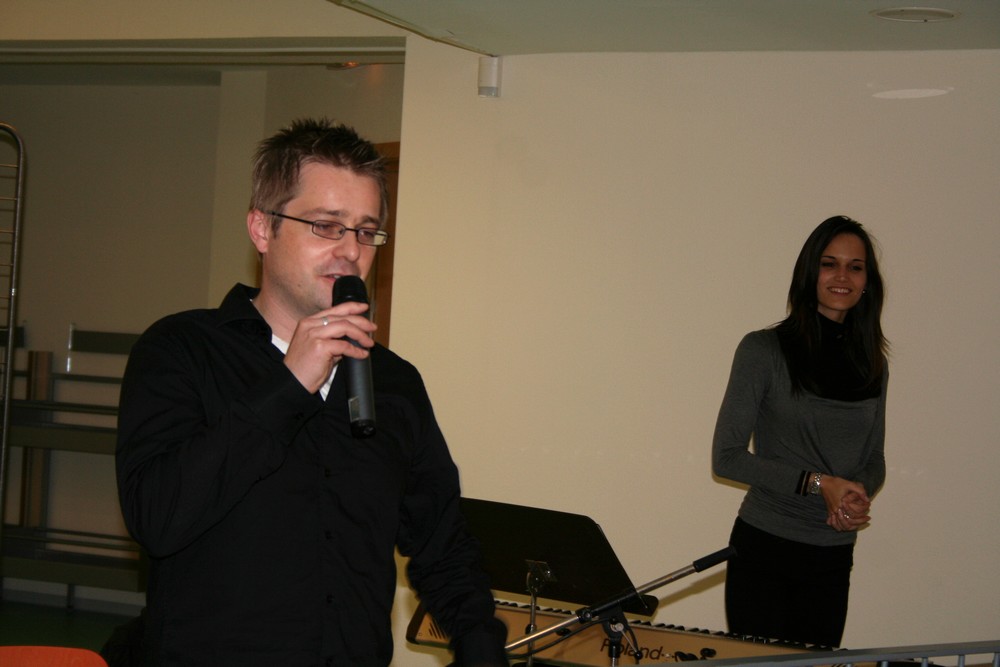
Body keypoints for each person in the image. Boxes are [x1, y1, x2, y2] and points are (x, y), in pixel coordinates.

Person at [116, 119, 508, 667]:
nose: (350, 251)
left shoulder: (395, 382)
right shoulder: (181, 350)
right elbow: (157, 518)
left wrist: (482, 648)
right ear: (262, 228)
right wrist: (289, 383)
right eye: (326, 226)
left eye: (366, 231)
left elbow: (443, 546)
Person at [711, 215, 889, 648]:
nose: (842, 276)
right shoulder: (763, 349)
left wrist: (855, 494)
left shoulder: (873, 363)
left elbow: (874, 459)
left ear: (867, 282)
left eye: (855, 267)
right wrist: (820, 484)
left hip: (832, 555)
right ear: (810, 273)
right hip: (764, 550)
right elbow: (727, 458)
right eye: (829, 264)